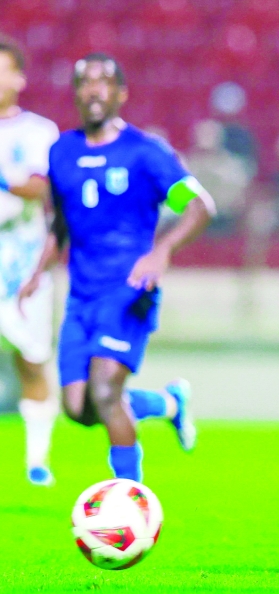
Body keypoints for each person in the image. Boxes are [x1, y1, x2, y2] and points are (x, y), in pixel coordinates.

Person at [19, 53, 216, 483]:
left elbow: (200, 207)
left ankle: (131, 496)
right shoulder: (62, 152)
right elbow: (61, 223)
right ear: (75, 94)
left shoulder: (145, 153)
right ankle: (168, 403)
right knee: (79, 408)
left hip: (129, 289)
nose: (94, 90)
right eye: (84, 82)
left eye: (104, 81)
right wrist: (36, 274)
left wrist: (161, 251)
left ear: (121, 93)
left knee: (106, 390)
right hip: (81, 297)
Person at [0, 36, 60, 486]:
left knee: (31, 358)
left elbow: (39, 186)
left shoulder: (38, 131)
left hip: (20, 256)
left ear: (19, 78)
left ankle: (37, 461)